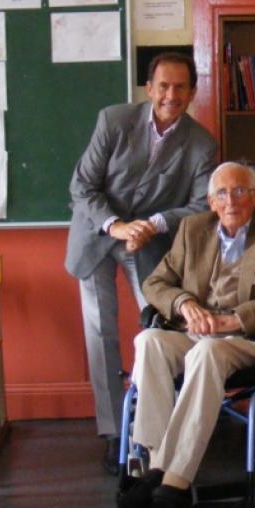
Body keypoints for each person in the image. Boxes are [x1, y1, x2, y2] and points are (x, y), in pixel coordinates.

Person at [116, 162, 255, 508]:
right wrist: (184, 303)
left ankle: (174, 484)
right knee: (148, 341)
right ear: (210, 201)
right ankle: (157, 466)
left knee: (206, 353)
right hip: (192, 333)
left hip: (246, 341)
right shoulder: (192, 230)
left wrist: (237, 318)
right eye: (221, 193)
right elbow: (155, 283)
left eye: (240, 191)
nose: (230, 200)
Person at [64, 52, 217, 475]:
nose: (171, 95)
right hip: (97, 233)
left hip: (148, 243)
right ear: (148, 89)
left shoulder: (202, 144)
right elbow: (82, 186)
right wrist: (116, 226)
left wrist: (152, 224)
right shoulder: (113, 121)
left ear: (192, 92)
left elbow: (202, 205)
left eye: (180, 87)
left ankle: (154, 428)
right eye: (163, 86)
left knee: (157, 329)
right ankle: (114, 432)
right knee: (101, 332)